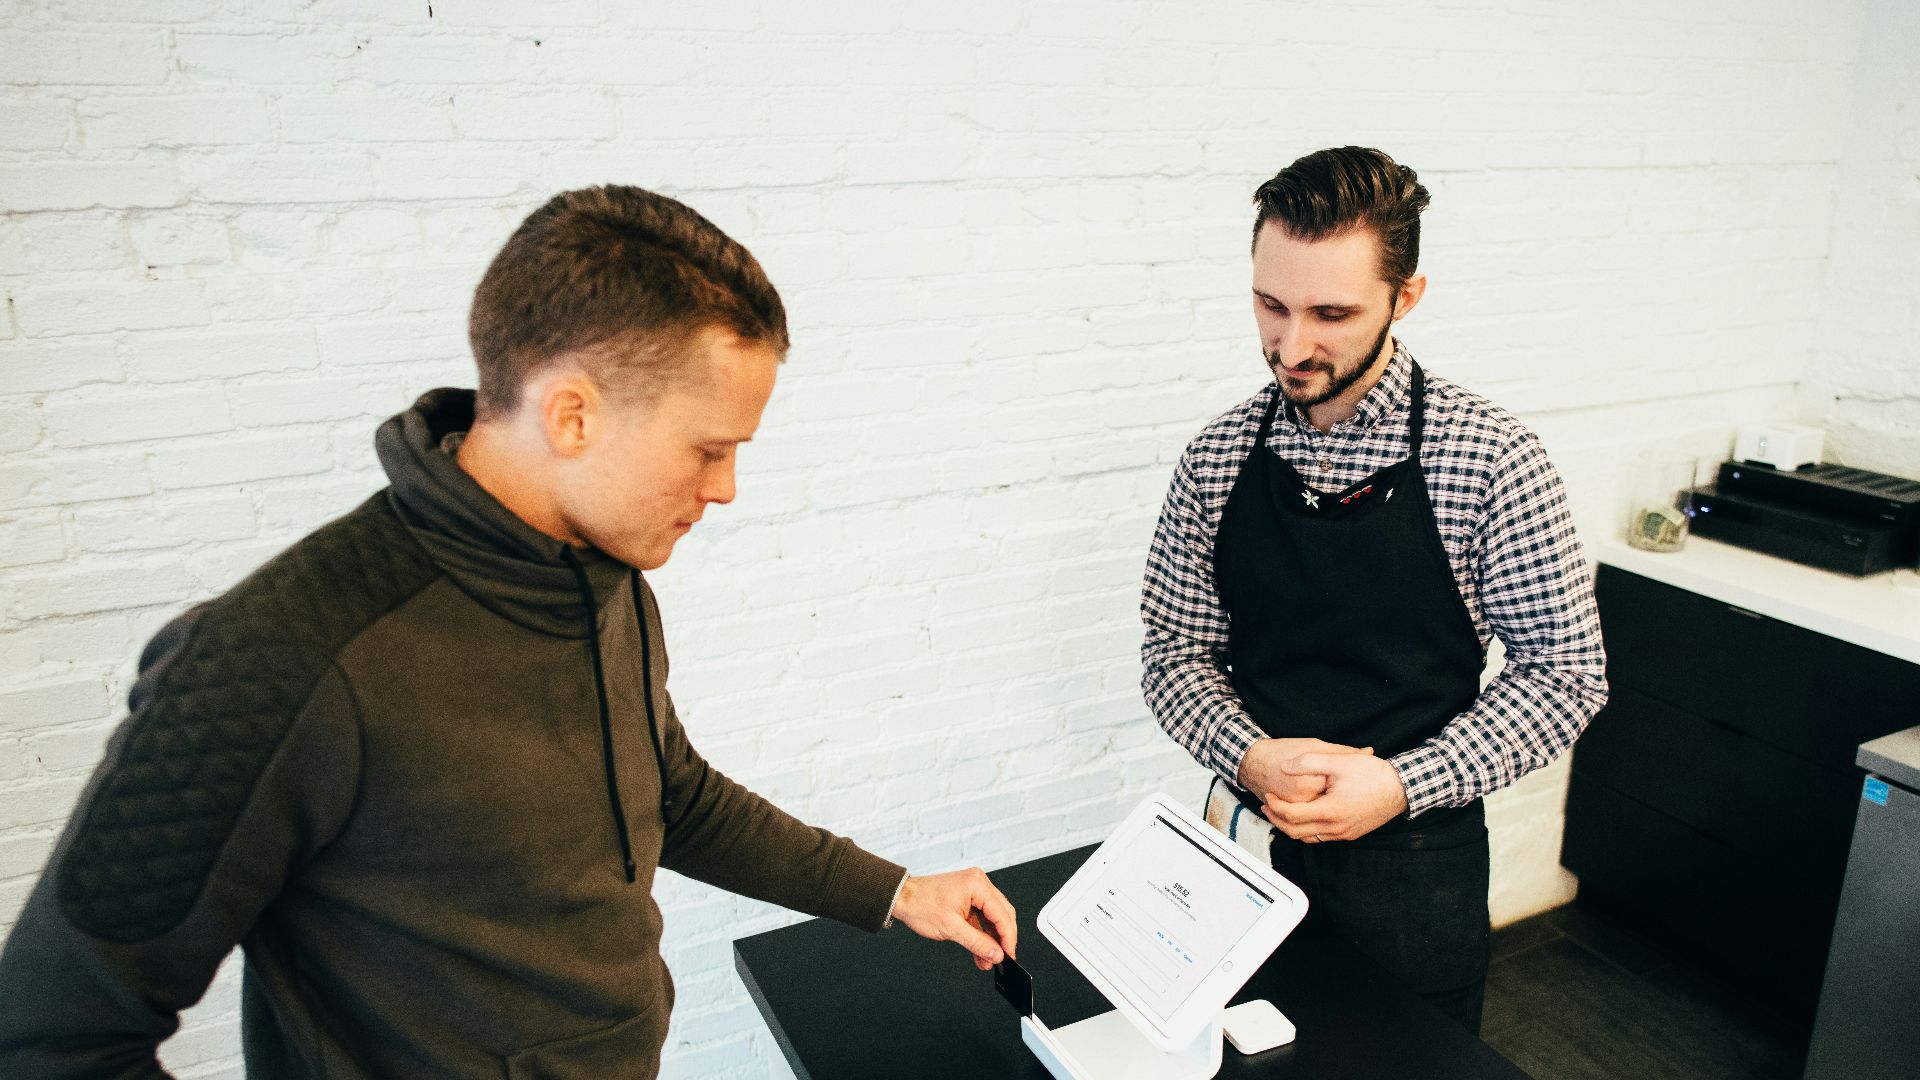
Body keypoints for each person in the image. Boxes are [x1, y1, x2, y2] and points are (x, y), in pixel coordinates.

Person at [0, 185, 1017, 1078]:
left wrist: (897, 893)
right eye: (708, 450)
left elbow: (670, 794)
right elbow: (50, 1042)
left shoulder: (603, 575)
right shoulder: (276, 663)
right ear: (572, 415)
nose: (728, 489)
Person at [1140, 146, 1607, 1032]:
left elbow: (1565, 677)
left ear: (1406, 296)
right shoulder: (1218, 457)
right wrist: (1249, 755)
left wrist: (1398, 783)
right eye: (1271, 304)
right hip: (1242, 853)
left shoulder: (1491, 459)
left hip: (1415, 871)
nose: (1292, 346)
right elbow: (1174, 652)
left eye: (1332, 313)